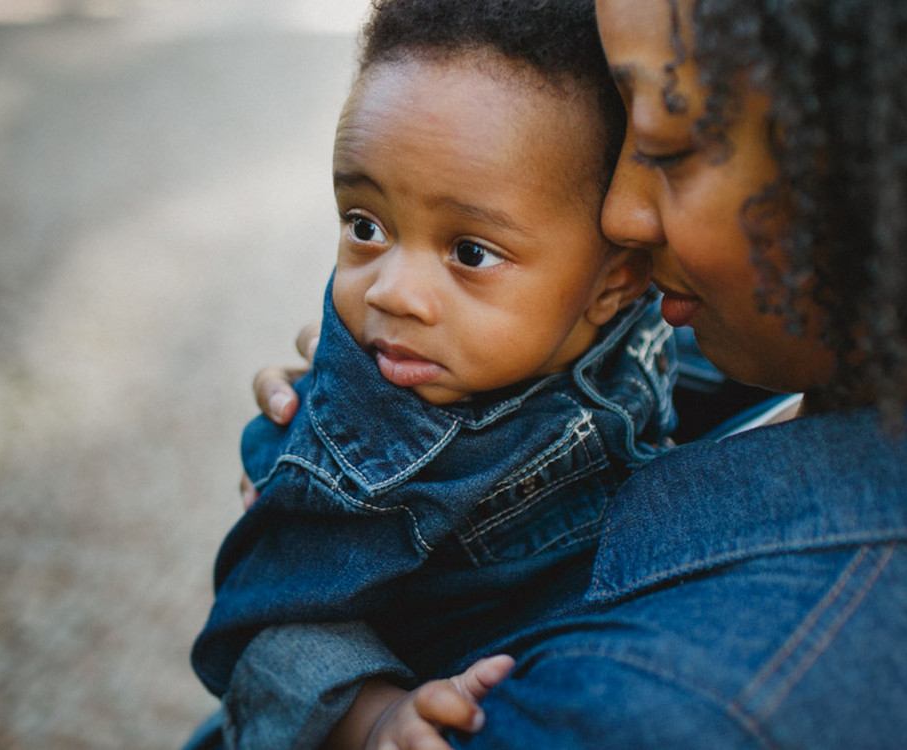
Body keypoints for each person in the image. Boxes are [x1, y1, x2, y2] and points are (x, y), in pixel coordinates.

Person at [242, 0, 907, 747]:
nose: (619, 217)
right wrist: (363, 417)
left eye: (663, 145)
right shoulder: (781, 354)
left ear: (889, 161)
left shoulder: (664, 708)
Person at [186, 0, 683, 747]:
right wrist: (374, 715)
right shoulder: (352, 444)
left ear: (616, 284)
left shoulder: (658, 325)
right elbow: (263, 623)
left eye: (470, 252)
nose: (390, 291)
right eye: (365, 226)